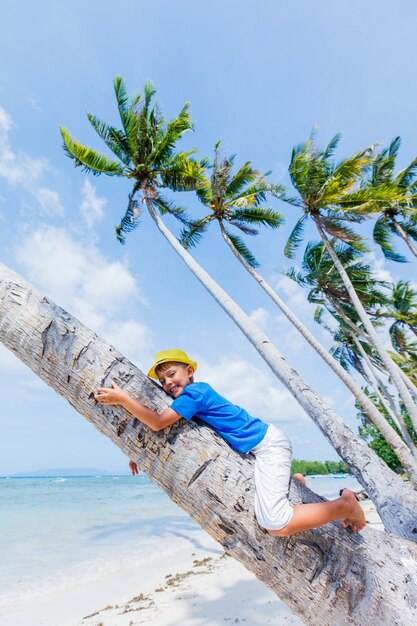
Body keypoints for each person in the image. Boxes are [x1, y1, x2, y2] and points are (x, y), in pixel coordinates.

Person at [95, 349, 366, 537]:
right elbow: (164, 428)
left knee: (276, 524)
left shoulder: (195, 393)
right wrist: (138, 451)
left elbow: (156, 421)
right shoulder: (191, 397)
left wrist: (122, 399)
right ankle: (295, 481)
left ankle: (345, 504)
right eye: (162, 380)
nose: (167, 382)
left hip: (268, 445)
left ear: (189, 372)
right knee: (274, 506)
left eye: (172, 374)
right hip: (260, 448)